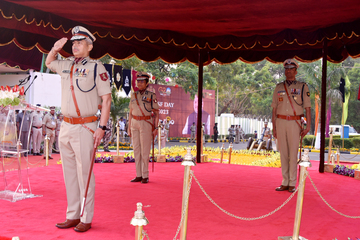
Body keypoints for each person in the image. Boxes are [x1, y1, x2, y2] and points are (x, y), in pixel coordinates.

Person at [46, 26, 111, 232]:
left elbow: (107, 99)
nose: (74, 46)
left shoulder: (96, 67)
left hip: (85, 126)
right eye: (73, 43)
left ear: (89, 46)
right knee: (70, 174)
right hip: (66, 125)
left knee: (85, 174)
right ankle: (72, 215)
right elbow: (49, 63)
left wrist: (101, 127)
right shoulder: (65, 65)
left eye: (79, 43)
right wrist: (55, 49)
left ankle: (86, 217)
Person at [272, 59, 311, 193]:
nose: (288, 71)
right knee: (283, 153)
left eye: (291, 69)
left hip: (295, 123)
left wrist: (308, 126)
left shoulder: (302, 86)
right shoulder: (278, 87)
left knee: (293, 153)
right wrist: (274, 127)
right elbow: (274, 109)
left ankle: (292, 183)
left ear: (295, 71)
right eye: (286, 69)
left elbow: (307, 108)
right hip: (280, 122)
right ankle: (284, 182)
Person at [128, 72, 159, 184]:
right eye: (138, 81)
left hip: (146, 123)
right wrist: (129, 126)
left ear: (147, 83)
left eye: (142, 81)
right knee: (136, 150)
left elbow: (156, 113)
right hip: (134, 123)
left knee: (145, 151)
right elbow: (130, 112)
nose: (139, 83)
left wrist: (156, 128)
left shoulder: (151, 95)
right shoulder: (133, 95)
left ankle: (145, 175)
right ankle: (138, 175)